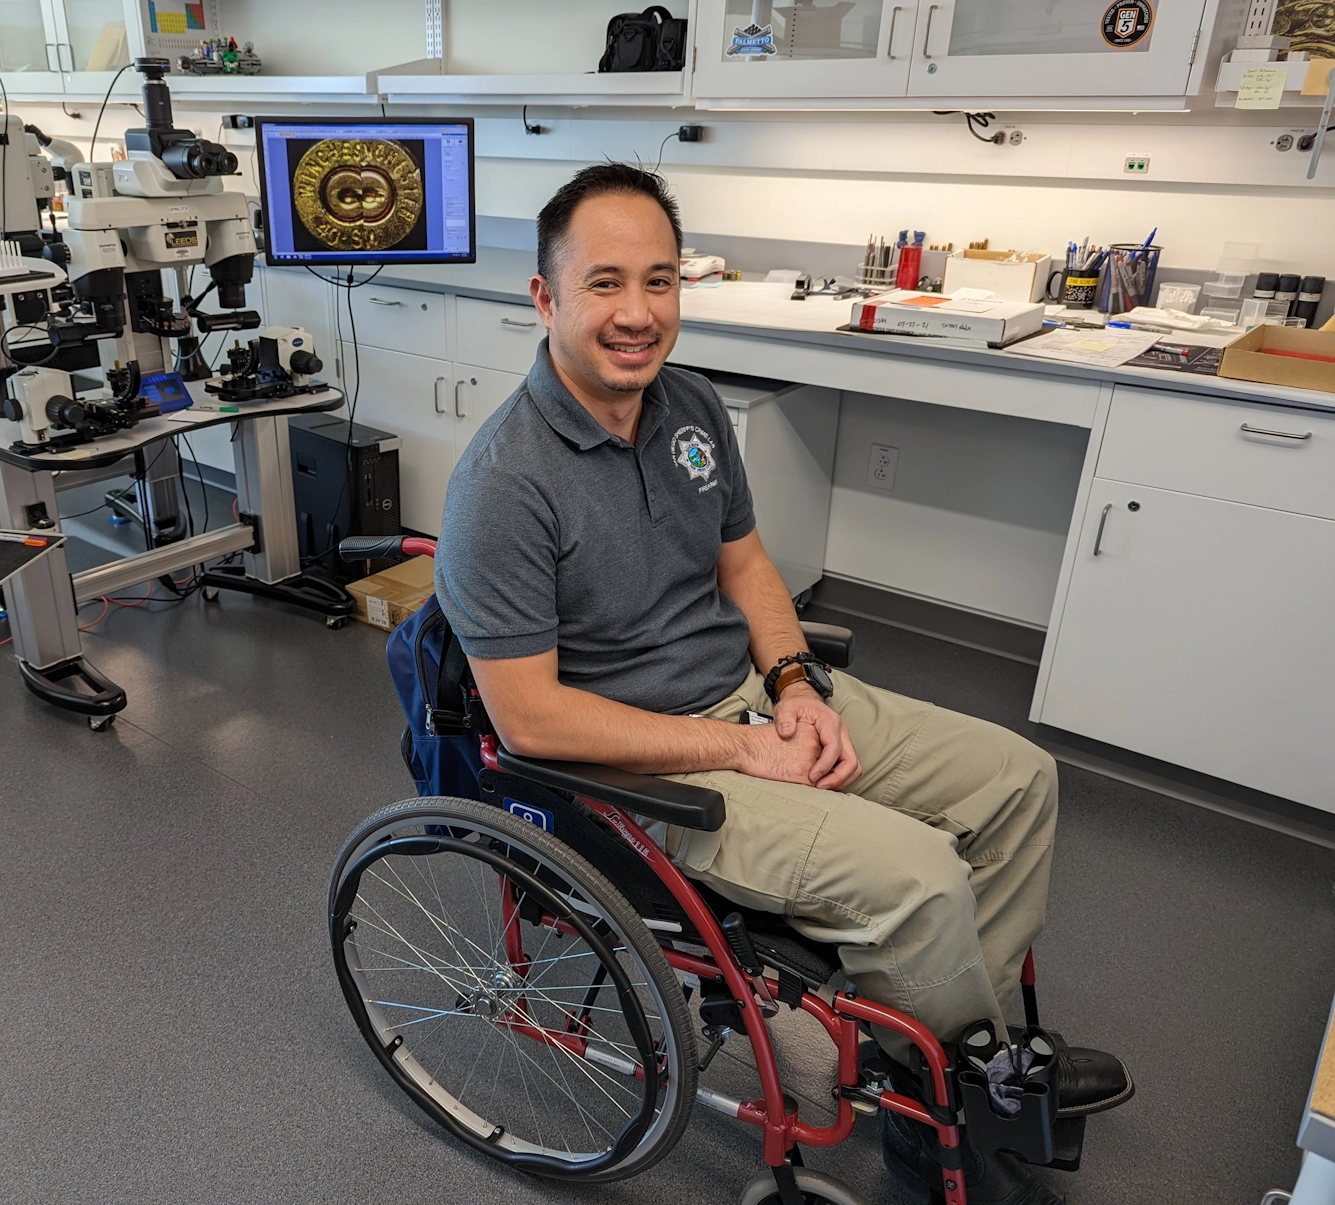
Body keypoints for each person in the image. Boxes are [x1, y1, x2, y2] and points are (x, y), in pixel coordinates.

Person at [434, 162, 1131, 1204]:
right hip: (641, 765)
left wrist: (797, 687)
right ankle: (949, 1103)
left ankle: (945, 1059)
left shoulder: (689, 407)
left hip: (756, 702)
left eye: (660, 281)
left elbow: (747, 566)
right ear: (544, 299)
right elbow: (529, 719)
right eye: (605, 283)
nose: (637, 314)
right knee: (920, 874)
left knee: (1017, 778)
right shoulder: (503, 485)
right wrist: (740, 745)